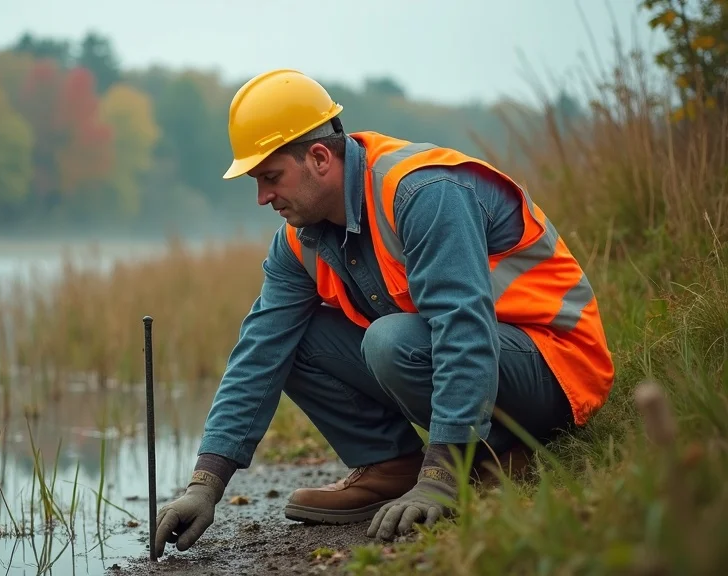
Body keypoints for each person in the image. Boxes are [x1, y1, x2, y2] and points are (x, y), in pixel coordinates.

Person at [152, 69, 614, 557]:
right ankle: (390, 465)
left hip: (553, 368)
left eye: (270, 177)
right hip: (478, 363)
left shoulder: (422, 193)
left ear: (320, 157)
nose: (262, 197)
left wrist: (440, 475)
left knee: (392, 340)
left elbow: (462, 328)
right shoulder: (297, 239)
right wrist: (206, 483)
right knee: (294, 338)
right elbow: (258, 351)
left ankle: (490, 460)